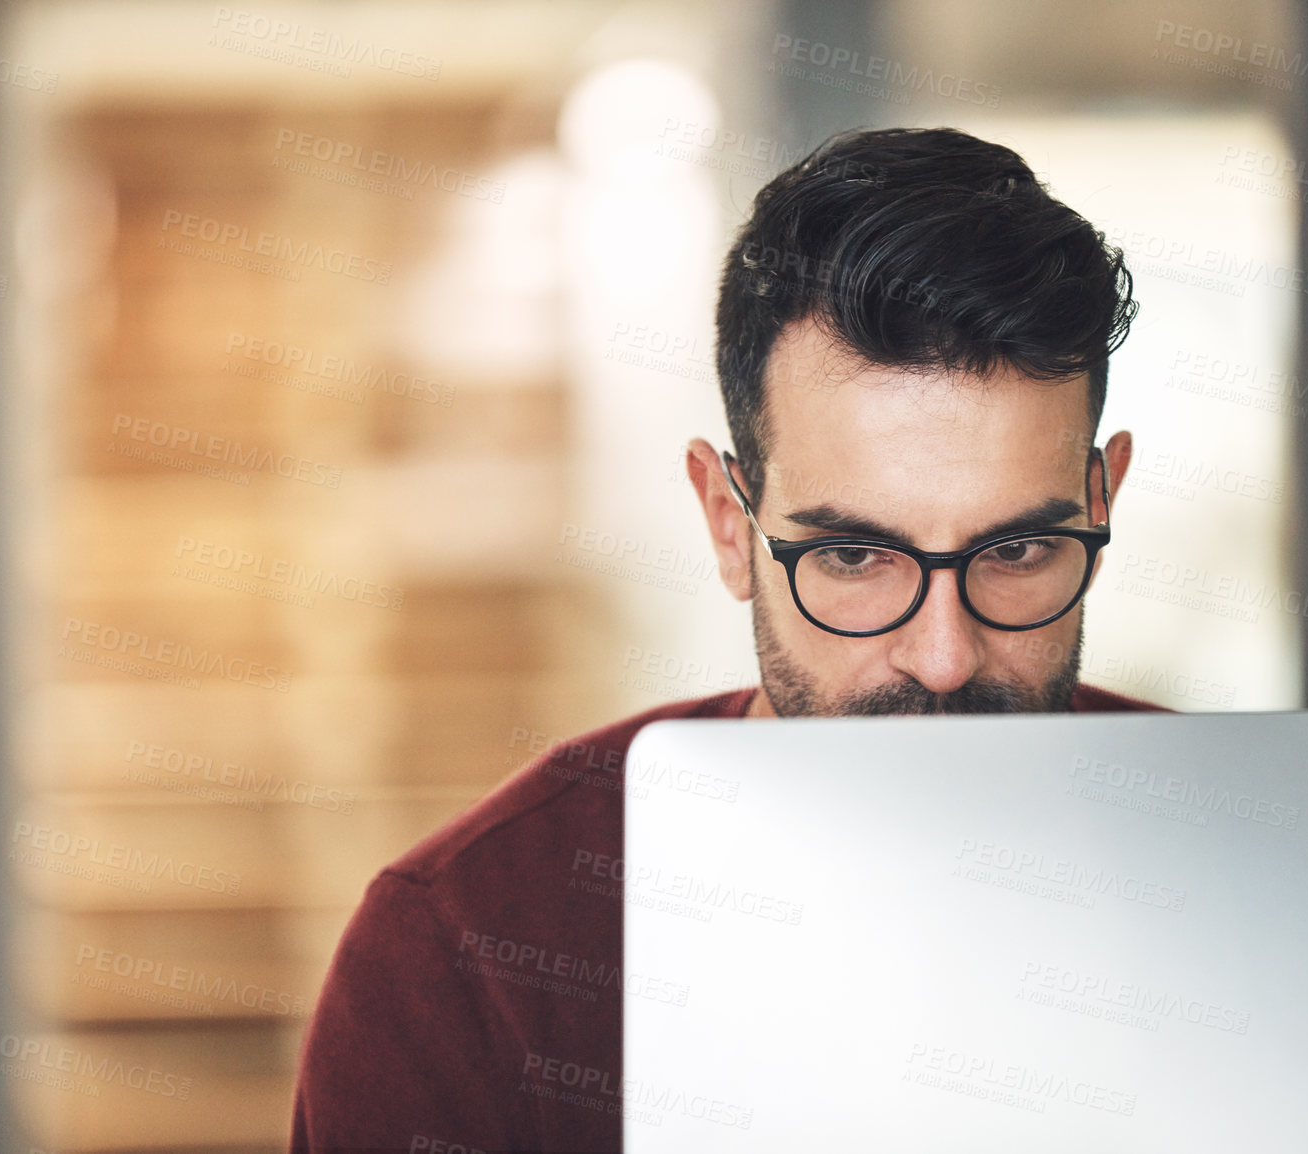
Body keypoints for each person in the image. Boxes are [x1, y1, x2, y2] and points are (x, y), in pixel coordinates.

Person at [291, 125, 1158, 1153]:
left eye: (1016, 551)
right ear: (725, 521)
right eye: (851, 556)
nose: (941, 657)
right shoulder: (465, 951)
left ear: (1101, 506)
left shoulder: (1266, 868)